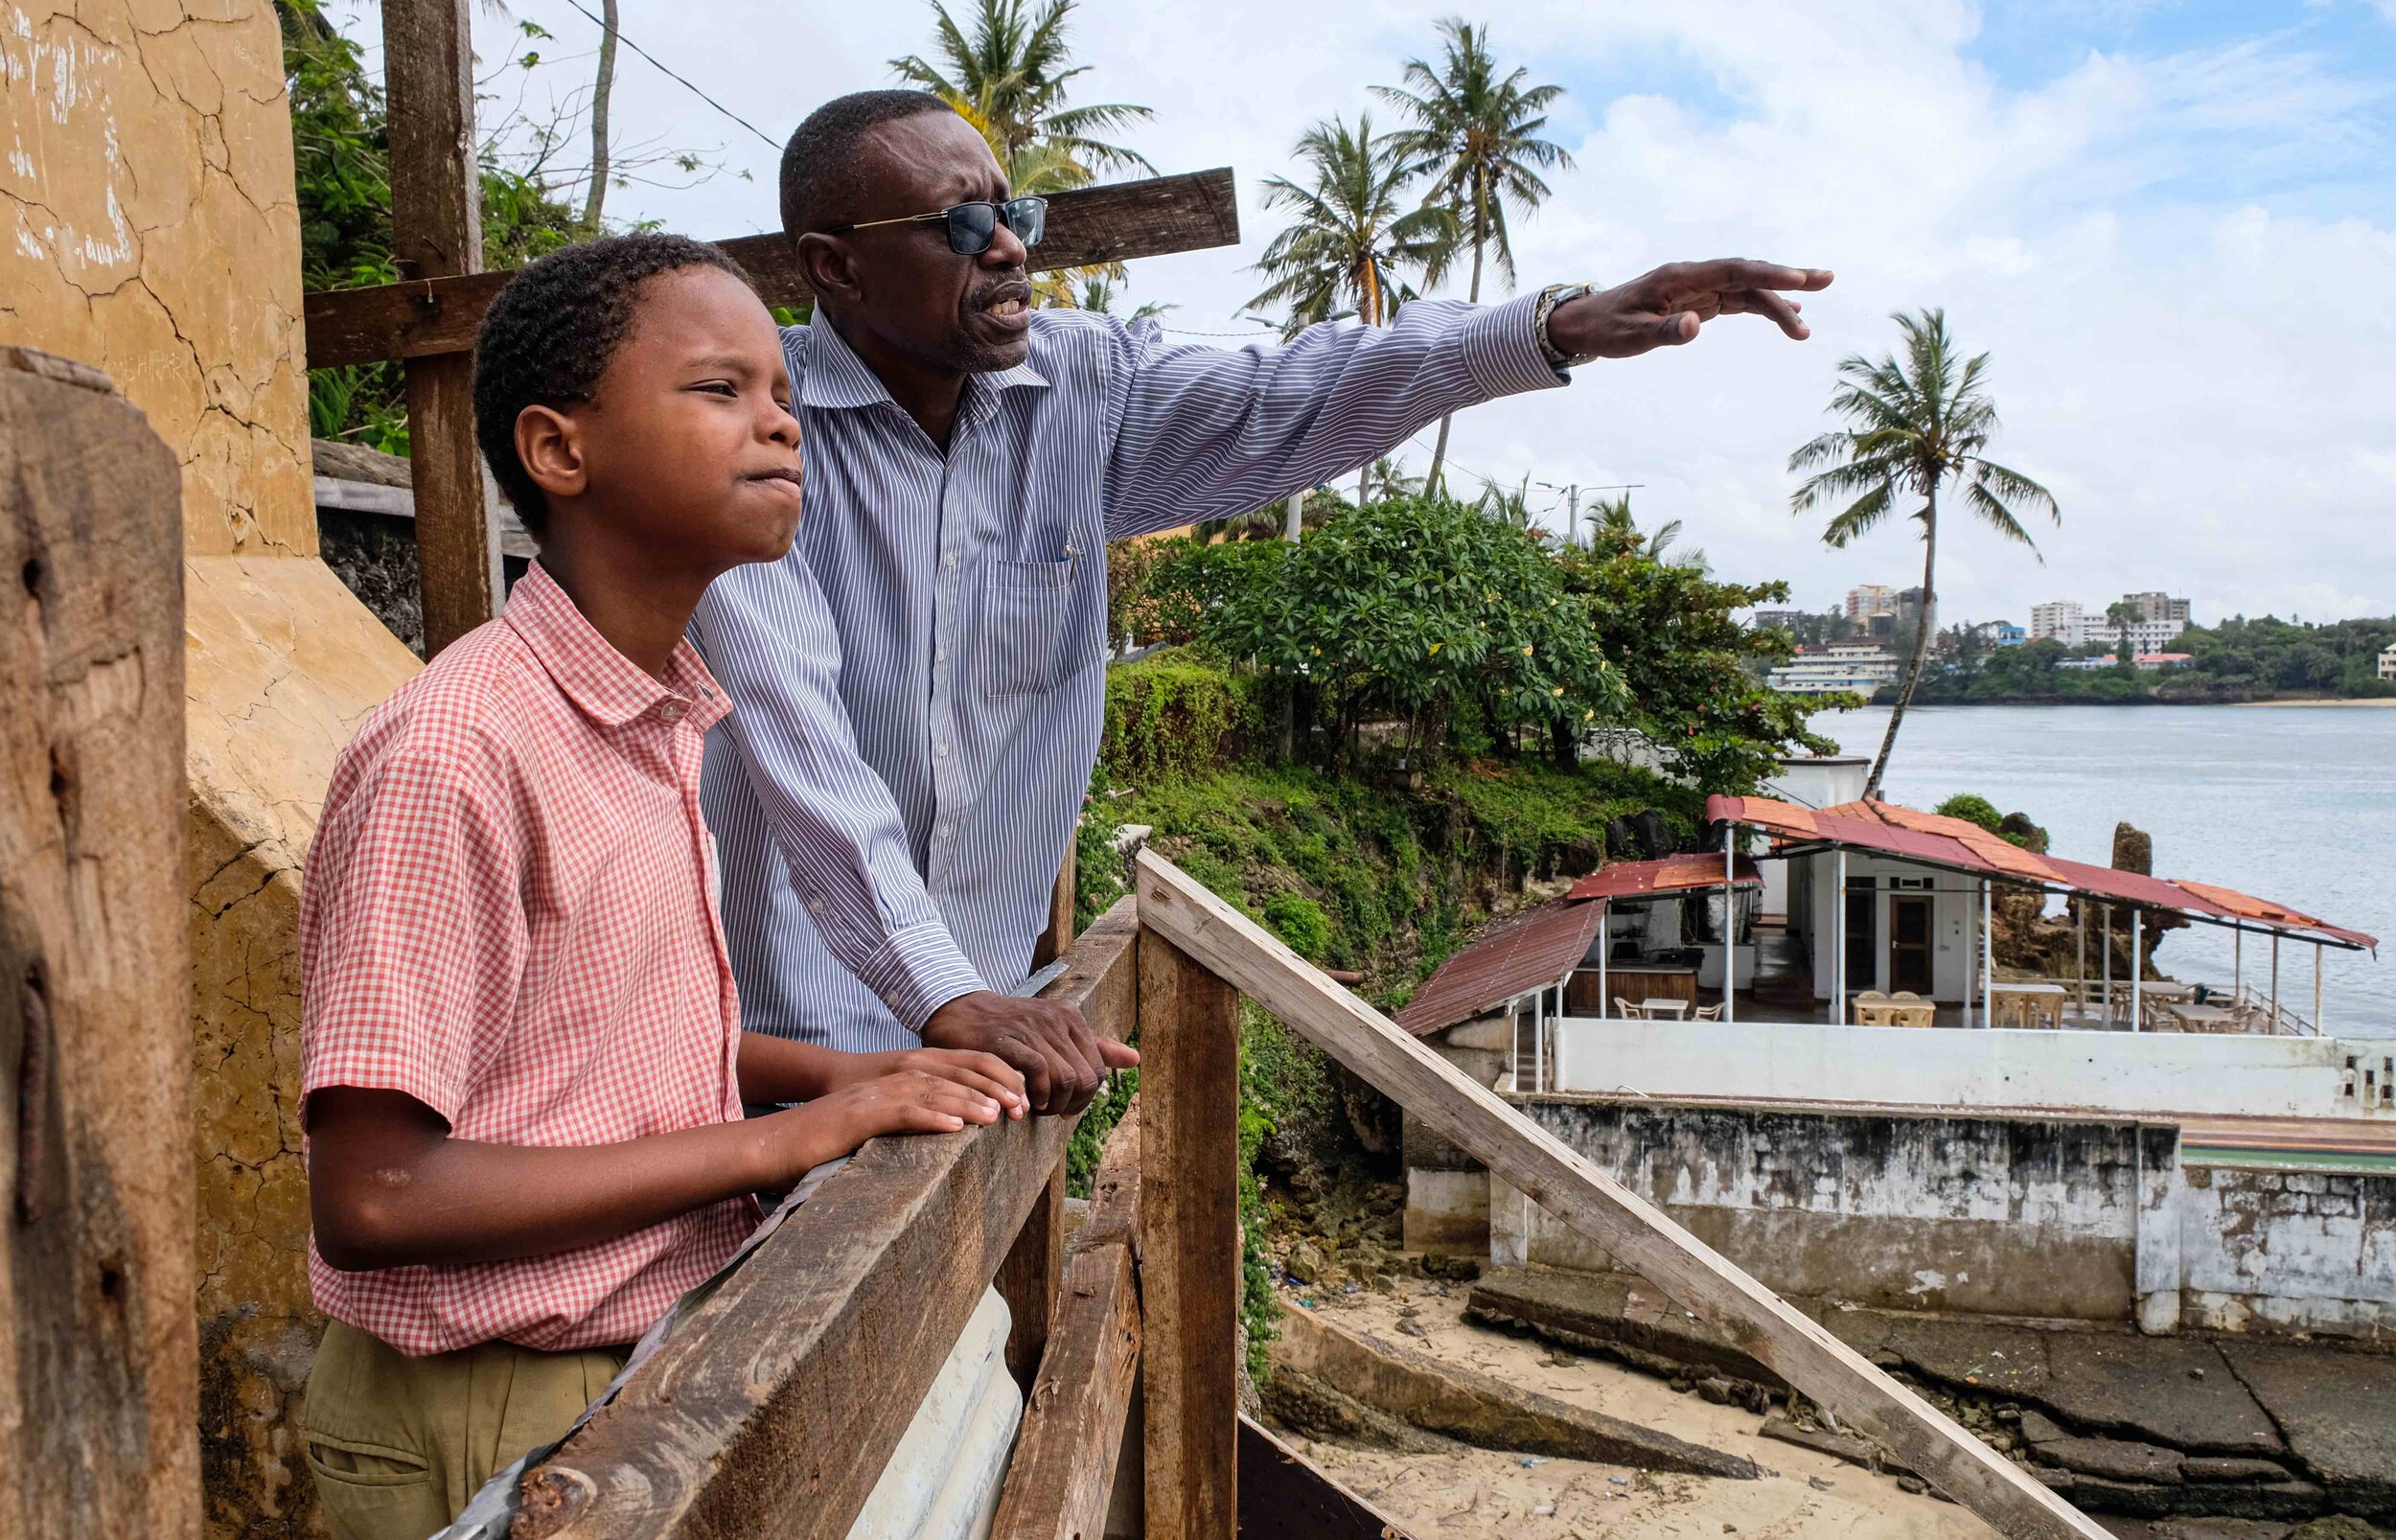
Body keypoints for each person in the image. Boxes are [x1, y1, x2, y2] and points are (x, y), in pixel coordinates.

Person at [692, 89, 1832, 1113]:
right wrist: (947, 998)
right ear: (834, 267)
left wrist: (1552, 328)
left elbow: (1295, 389)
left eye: (1015, 215)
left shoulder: (1082, 391)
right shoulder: (755, 435)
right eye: (956, 225)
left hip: (993, 1041)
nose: (1004, 249)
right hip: (775, 1043)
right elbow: (805, 758)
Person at [295, 232, 1026, 1540]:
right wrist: (777, 1140)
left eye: (785, 399)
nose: (781, 428)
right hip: (492, 1407)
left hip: (638, 1368)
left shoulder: (654, 712)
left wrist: (843, 1078)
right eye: (720, 392)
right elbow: (377, 1195)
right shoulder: (458, 749)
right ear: (560, 450)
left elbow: (593, 1047)